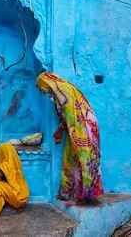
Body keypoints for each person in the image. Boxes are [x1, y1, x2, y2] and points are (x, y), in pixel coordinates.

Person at [36, 72, 104, 206]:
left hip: (84, 127)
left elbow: (71, 114)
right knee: (71, 158)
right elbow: (66, 115)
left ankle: (82, 197)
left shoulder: (64, 91)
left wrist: (69, 133)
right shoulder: (59, 93)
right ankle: (71, 192)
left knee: (83, 158)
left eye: (43, 87)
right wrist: (60, 131)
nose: (44, 91)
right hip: (79, 125)